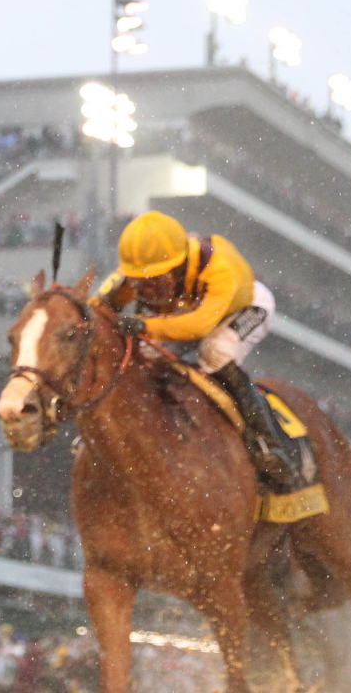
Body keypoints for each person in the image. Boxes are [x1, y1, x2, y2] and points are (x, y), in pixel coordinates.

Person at [99, 210, 307, 490]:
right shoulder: (137, 271)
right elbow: (96, 310)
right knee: (145, 356)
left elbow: (201, 326)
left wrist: (143, 325)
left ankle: (267, 443)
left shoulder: (220, 267)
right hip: (190, 312)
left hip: (243, 308)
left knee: (215, 352)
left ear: (179, 265)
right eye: (140, 283)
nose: (148, 292)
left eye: (158, 281)